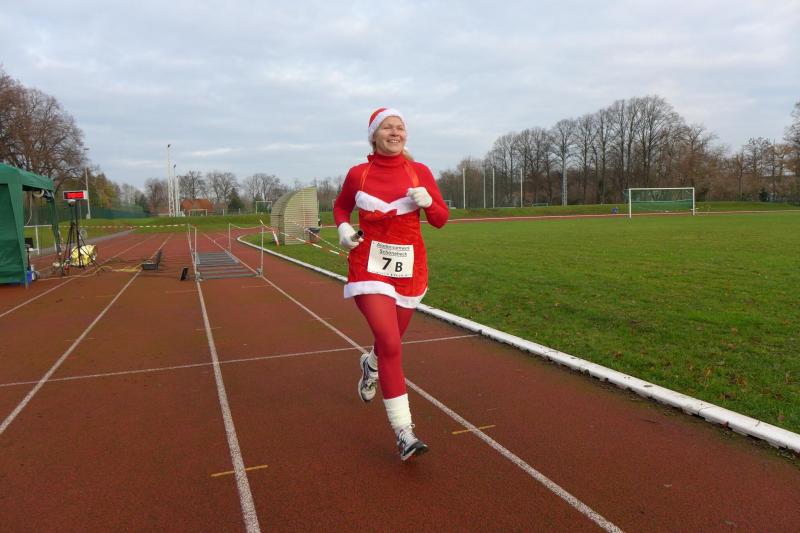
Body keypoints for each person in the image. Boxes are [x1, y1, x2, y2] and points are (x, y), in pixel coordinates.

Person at [333, 108, 449, 461]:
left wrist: (430, 203)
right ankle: (404, 432)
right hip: (368, 266)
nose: (395, 132)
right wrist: (343, 229)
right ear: (374, 135)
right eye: (387, 127)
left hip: (409, 269)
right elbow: (340, 208)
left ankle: (370, 365)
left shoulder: (419, 171)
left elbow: (441, 220)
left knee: (389, 343)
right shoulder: (359, 174)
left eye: (400, 127)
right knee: (391, 344)